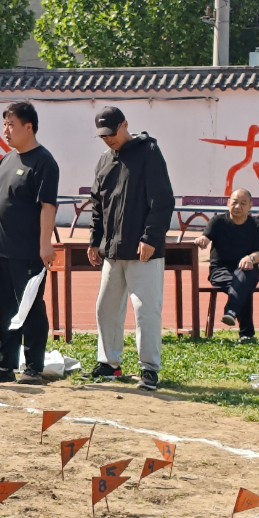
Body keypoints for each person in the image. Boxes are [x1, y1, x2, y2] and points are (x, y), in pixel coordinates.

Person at [0, 103, 59, 385]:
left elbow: (48, 207)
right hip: (1, 248)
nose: (5, 130)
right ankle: (5, 365)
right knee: (7, 307)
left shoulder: (44, 162)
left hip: (27, 251)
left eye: (10, 124)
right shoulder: (7, 160)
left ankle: (33, 367)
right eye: (4, 124)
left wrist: (45, 245)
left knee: (30, 308)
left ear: (28, 126)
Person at [87, 106, 174, 391]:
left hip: (142, 250)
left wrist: (150, 238)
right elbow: (98, 205)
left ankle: (149, 369)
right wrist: (94, 240)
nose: (108, 139)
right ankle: (109, 364)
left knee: (145, 310)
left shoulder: (149, 152)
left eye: (112, 133)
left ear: (125, 124)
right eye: (103, 136)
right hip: (112, 250)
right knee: (106, 307)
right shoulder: (103, 160)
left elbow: (162, 201)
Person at [197, 189, 259, 344]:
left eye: (243, 203)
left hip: (247, 269)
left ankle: (231, 311)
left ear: (250, 206)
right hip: (220, 270)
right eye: (234, 202)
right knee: (243, 285)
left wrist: (250, 258)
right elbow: (205, 237)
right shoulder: (218, 222)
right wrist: (202, 240)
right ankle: (246, 332)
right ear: (228, 203)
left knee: (244, 276)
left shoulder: (257, 225)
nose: (238, 206)